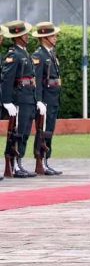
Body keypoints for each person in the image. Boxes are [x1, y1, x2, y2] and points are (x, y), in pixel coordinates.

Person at [2, 20, 42, 179]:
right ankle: (13, 164)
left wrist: (36, 98)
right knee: (17, 132)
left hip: (28, 97)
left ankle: (19, 162)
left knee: (25, 132)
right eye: (24, 34)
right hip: (19, 98)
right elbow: (7, 79)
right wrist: (6, 101)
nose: (27, 36)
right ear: (17, 37)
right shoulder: (14, 55)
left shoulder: (25, 53)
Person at [30, 22, 63, 176]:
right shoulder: (39, 56)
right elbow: (37, 80)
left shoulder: (50, 54)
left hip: (53, 98)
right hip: (45, 100)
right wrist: (38, 100)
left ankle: (46, 161)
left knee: (49, 131)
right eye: (53, 35)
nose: (55, 37)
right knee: (43, 132)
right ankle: (40, 161)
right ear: (44, 37)